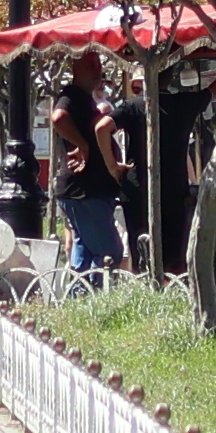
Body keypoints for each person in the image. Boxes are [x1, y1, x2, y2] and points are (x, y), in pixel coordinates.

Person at [53, 53, 132, 275]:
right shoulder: (72, 95)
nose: (96, 70)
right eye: (90, 65)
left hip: (87, 192)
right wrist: (83, 145)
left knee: (85, 252)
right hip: (85, 191)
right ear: (75, 68)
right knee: (111, 253)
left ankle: (81, 298)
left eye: (98, 64)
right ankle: (99, 297)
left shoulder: (85, 99)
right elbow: (58, 117)